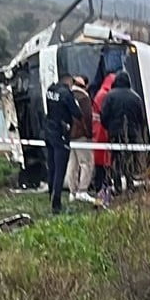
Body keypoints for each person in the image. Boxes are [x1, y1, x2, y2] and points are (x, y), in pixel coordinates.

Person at [100, 71, 147, 195]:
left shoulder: (110, 96)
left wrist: (109, 127)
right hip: (132, 133)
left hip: (115, 132)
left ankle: (118, 186)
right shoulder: (135, 97)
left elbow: (104, 116)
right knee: (130, 158)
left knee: (116, 160)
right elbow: (141, 118)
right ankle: (130, 184)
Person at [43, 73, 81, 214]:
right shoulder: (66, 94)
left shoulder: (51, 90)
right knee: (60, 169)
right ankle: (56, 202)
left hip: (49, 131)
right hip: (61, 133)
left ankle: (50, 194)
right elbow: (77, 113)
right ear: (69, 81)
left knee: (52, 167)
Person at [64, 75, 95, 203]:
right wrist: (89, 134)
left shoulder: (67, 95)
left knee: (72, 164)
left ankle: (73, 192)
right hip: (80, 135)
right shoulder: (84, 98)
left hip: (69, 135)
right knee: (87, 163)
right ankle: (82, 190)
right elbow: (87, 117)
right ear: (85, 86)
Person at [89, 73, 116, 198]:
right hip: (102, 132)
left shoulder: (100, 93)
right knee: (103, 162)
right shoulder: (105, 95)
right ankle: (101, 187)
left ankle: (101, 185)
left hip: (97, 131)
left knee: (100, 161)